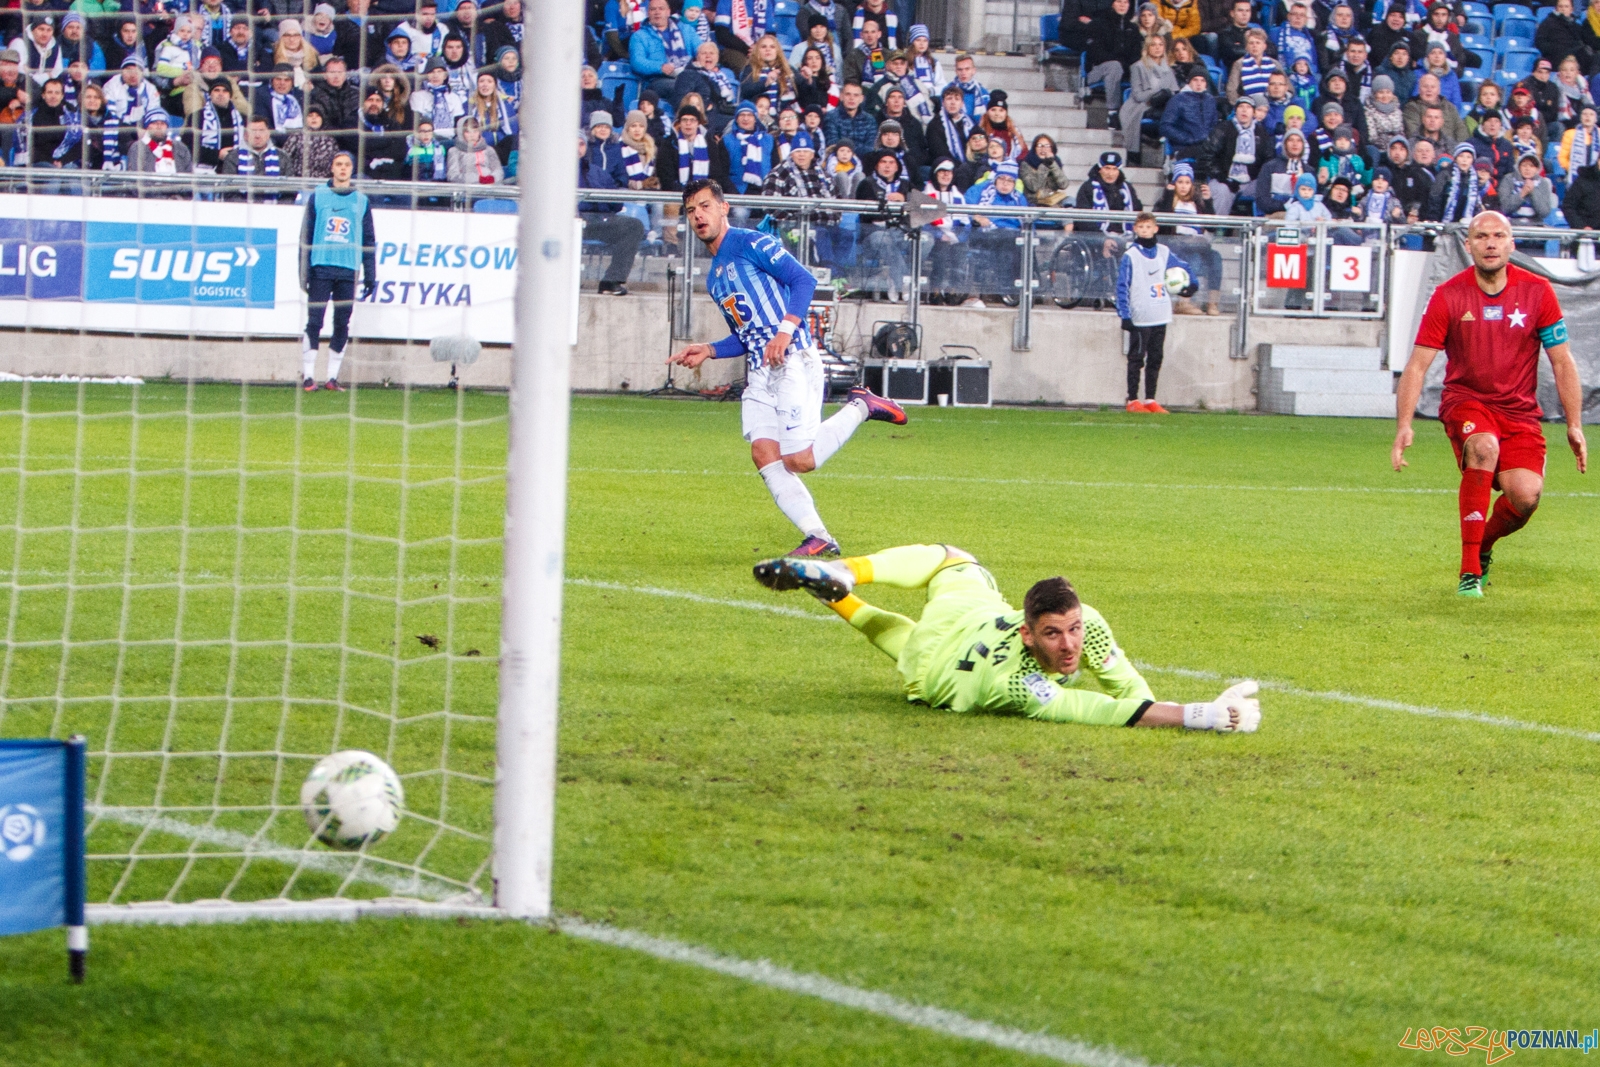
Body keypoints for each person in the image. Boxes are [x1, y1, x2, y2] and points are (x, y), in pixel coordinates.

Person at [750, 544, 1262, 731]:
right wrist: (1200, 715)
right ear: (1029, 632)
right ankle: (835, 585)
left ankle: (843, 578)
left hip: (967, 619)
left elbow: (1126, 688)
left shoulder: (1087, 626)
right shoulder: (1017, 688)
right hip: (933, 671)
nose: (1070, 645)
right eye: (1054, 635)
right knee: (908, 642)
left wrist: (1161, 708)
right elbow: (1098, 709)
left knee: (950, 558)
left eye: (1075, 629)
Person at [666, 179, 907, 559]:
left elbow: (803, 280)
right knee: (764, 453)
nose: (699, 215)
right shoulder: (714, 277)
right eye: (691, 210)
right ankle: (818, 535)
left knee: (800, 460)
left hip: (793, 358)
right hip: (760, 372)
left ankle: (862, 405)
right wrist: (710, 349)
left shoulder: (750, 242)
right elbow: (746, 334)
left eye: (705, 206)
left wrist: (784, 330)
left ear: (724, 207)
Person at [1392, 210, 1587, 597]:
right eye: (1481, 236)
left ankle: (1481, 547)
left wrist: (1574, 423)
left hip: (1519, 412)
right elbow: (1417, 365)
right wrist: (1404, 424)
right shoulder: (1449, 295)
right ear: (1469, 245)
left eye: (1499, 235)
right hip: (1467, 403)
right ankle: (1468, 575)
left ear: (1512, 243)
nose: (1491, 243)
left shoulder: (1537, 292)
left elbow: (1562, 361)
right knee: (1484, 447)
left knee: (1526, 497)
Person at [1117, 211, 1191, 412]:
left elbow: (1183, 267)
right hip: (1141, 315)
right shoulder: (1130, 256)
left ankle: (1150, 399)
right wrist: (1124, 314)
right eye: (1141, 227)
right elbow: (1122, 285)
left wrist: (1191, 285)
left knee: (1156, 357)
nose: (1145, 230)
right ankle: (1132, 399)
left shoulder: (1164, 252)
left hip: (1160, 314)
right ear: (1135, 229)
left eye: (1148, 227)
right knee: (1136, 358)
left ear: (1155, 229)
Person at [578, 134, 644, 296]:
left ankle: (611, 281)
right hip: (569, 221)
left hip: (598, 220)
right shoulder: (556, 172)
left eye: (581, 144)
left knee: (633, 226)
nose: (577, 148)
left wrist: (605, 203)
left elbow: (616, 203)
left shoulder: (598, 172)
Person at [1154, 163, 1223, 313]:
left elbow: (1212, 227)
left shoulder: (1198, 203)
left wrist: (1208, 201)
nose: (1184, 186)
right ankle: (1183, 302)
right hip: (1176, 245)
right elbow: (1162, 226)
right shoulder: (1166, 201)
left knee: (1215, 258)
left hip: (1198, 243)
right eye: (1180, 182)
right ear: (1174, 183)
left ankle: (1212, 303)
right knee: (1193, 258)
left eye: (1187, 182)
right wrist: (1168, 196)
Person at [1207, 94, 1269, 214]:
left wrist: (1259, 178)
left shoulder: (1261, 133)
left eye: (1248, 107)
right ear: (1235, 110)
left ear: (1253, 112)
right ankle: (1213, 230)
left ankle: (1261, 230)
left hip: (1250, 181)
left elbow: (1268, 159)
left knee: (1267, 190)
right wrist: (1223, 178)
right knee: (1222, 191)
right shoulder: (1223, 129)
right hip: (1224, 179)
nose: (1244, 110)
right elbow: (1208, 157)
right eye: (1241, 107)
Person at [1122, 33, 1178, 164]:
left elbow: (1174, 91)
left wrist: (1165, 94)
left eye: (1160, 44)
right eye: (1153, 45)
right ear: (1147, 47)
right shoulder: (1138, 67)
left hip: (1163, 105)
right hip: (1141, 105)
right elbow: (1137, 95)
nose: (1157, 48)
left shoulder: (1168, 69)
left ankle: (1170, 154)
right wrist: (1156, 93)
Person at [630, 0, 700, 101]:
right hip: (658, 80)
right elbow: (637, 62)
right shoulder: (639, 36)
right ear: (648, 13)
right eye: (653, 9)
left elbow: (701, 50)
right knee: (683, 88)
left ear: (668, 11)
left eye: (661, 9)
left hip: (688, 74)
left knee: (708, 83)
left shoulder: (686, 30)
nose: (657, 12)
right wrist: (660, 67)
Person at [1085, 0, 1140, 124]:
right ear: (1112, 4)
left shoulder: (1132, 28)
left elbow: (1136, 55)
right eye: (1119, 1)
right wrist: (1120, 62)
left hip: (1124, 69)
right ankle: (1113, 112)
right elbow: (1096, 54)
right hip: (1097, 70)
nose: (1122, 5)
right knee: (1114, 66)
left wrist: (1126, 65)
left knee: (1140, 67)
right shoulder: (1098, 24)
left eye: (1126, 2)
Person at [1161, 68, 1217, 168]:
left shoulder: (1210, 100)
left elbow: (1214, 125)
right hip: (1184, 146)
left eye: (1202, 80)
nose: (1199, 84)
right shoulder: (1177, 99)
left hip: (1206, 145)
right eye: (1195, 80)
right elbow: (1165, 126)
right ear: (1189, 82)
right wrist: (1188, 138)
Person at [1426, 141, 1486, 222]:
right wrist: (1434, 219)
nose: (1464, 160)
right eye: (1461, 156)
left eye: (1468, 157)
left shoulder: (1474, 179)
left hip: (1465, 221)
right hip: (1442, 221)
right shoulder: (1445, 174)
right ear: (1456, 158)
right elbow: (1435, 198)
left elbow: (1475, 204)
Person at [1019, 133, 1069, 206]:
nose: (1043, 149)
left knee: (1070, 201)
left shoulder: (1055, 162)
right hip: (1034, 203)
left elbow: (1064, 184)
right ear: (1034, 148)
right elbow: (1034, 186)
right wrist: (1045, 165)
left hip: (1053, 201)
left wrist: (1052, 165)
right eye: (1039, 146)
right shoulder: (1026, 164)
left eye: (1047, 146)